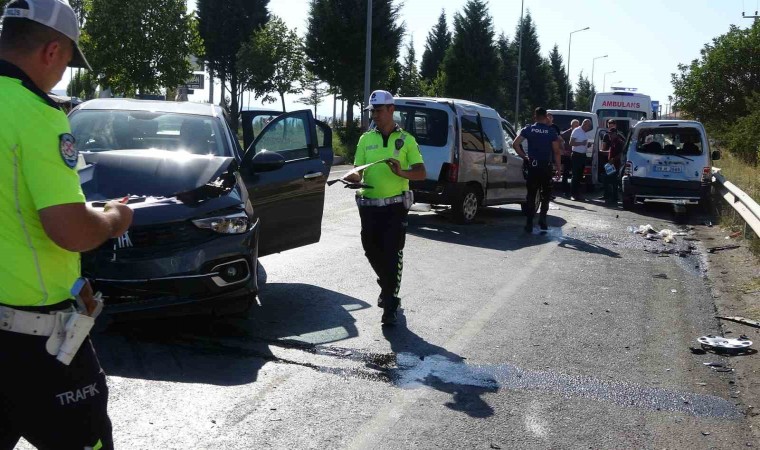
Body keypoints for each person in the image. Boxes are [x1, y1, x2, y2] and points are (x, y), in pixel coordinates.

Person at [0, 1, 133, 448]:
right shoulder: (37, 113)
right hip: (31, 341)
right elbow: (70, 231)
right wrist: (114, 217)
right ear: (51, 51)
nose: (62, 77)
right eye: (68, 63)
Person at [346, 90, 425, 326]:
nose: (375, 116)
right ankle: (386, 285)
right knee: (371, 249)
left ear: (391, 110)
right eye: (372, 111)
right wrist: (352, 177)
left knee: (391, 252)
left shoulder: (407, 140)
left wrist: (401, 172)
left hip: (395, 206)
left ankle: (390, 303)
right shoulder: (365, 139)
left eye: (378, 111)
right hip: (368, 205)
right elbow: (356, 170)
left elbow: (421, 173)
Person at [512, 107, 562, 233]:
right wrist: (559, 168)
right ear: (546, 117)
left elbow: (515, 144)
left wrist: (524, 156)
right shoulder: (551, 132)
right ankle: (543, 220)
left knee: (531, 194)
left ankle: (529, 223)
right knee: (546, 194)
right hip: (546, 166)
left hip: (533, 166)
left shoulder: (528, 129)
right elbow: (556, 151)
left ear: (535, 116)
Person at [601, 119, 625, 205]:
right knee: (609, 180)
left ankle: (613, 197)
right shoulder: (613, 141)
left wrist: (613, 159)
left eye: (611, 134)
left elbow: (621, 153)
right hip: (611, 164)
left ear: (615, 134)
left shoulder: (618, 142)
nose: (609, 136)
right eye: (609, 134)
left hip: (615, 165)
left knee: (612, 181)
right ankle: (609, 196)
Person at [569, 119, 593, 201]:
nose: (589, 128)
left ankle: (578, 194)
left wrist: (587, 145)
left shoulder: (584, 133)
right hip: (576, 155)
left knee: (580, 176)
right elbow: (571, 143)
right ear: (584, 124)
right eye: (588, 126)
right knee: (575, 175)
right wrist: (582, 143)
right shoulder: (577, 130)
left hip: (583, 155)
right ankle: (573, 194)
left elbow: (583, 143)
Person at [560, 119, 580, 197]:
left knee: (575, 173)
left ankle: (574, 190)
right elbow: (559, 138)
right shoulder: (567, 133)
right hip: (567, 156)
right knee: (566, 173)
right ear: (571, 126)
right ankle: (565, 190)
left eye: (578, 125)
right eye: (576, 125)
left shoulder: (578, 132)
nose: (577, 126)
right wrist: (564, 150)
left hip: (575, 155)